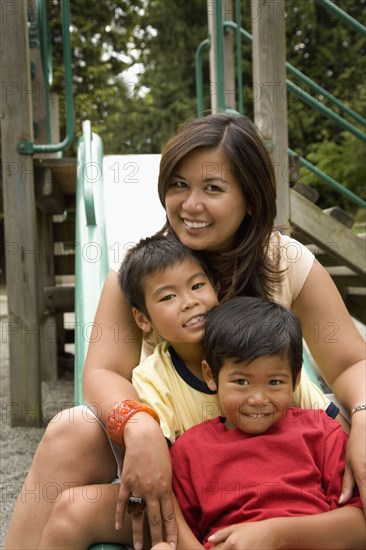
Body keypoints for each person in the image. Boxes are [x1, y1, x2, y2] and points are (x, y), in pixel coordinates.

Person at [4, 113, 365, 550]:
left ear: (251, 198)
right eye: (178, 184)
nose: (190, 204)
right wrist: (139, 428)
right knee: (71, 429)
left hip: (277, 444)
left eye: (212, 188)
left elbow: (351, 363)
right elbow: (102, 373)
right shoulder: (141, 276)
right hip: (178, 451)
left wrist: (364, 420)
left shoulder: (284, 262)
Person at [36, 233, 221, 549]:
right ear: (142, 319)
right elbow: (163, 480)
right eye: (168, 297)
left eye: (197, 286)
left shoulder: (250, 355)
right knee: (72, 510)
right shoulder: (151, 381)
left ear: (216, 288)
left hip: (255, 490)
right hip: (187, 501)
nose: (189, 301)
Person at [166, 297, 365, 549]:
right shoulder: (189, 451)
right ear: (211, 375)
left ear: (295, 380)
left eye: (274, 383)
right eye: (241, 382)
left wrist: (275, 534)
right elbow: (177, 532)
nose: (258, 399)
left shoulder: (321, 433)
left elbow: (359, 525)